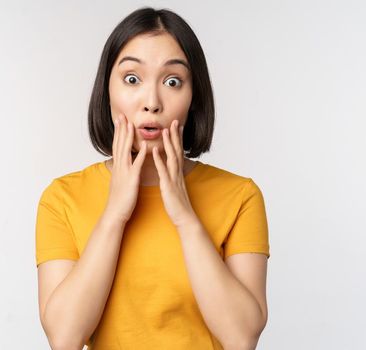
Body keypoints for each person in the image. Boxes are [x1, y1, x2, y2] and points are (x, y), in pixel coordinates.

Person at [35, 7, 270, 349]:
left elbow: (242, 337)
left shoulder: (240, 196)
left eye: (173, 81)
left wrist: (185, 217)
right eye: (132, 79)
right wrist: (114, 214)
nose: (152, 102)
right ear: (107, 91)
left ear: (194, 97)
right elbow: (64, 338)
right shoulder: (62, 198)